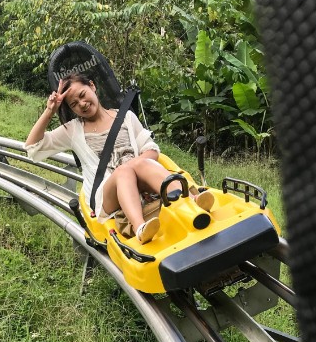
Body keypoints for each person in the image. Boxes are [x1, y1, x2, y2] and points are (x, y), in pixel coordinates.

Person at [25, 73, 213, 244]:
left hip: (139, 179)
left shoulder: (126, 117)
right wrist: (50, 110)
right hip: (108, 195)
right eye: (74, 104)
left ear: (92, 86)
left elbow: (151, 149)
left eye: (82, 95)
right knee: (125, 171)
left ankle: (192, 202)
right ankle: (140, 228)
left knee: (139, 162)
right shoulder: (73, 130)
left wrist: (135, 165)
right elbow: (33, 148)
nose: (81, 104)